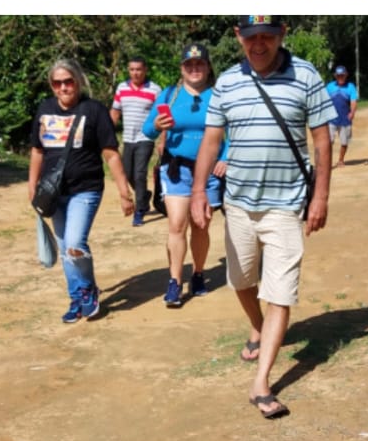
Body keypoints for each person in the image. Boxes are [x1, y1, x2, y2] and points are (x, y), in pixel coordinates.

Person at [191, 17, 334, 420]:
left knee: (281, 293)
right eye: (251, 37)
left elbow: (322, 140)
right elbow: (212, 140)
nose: (259, 44)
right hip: (237, 204)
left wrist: (320, 196)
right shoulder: (227, 83)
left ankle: (261, 381)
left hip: (287, 205)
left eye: (267, 36)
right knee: (241, 281)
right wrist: (201, 190)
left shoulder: (305, 75)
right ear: (239, 37)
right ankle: (257, 326)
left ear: (282, 33)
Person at [28, 57, 136, 323]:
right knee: (65, 248)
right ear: (52, 86)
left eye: (68, 81)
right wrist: (32, 186)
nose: (63, 88)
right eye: (57, 83)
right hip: (53, 192)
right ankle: (77, 297)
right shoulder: (44, 109)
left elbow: (110, 154)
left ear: (77, 81)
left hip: (85, 189)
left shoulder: (94, 111)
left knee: (75, 243)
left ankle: (87, 290)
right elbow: (37, 151)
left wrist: (124, 192)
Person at [151, 44, 226, 306]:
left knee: (201, 225)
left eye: (200, 64)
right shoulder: (169, 95)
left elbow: (233, 131)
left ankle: (198, 273)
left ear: (208, 67)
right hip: (176, 169)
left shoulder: (219, 95)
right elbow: (148, 130)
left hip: (209, 172)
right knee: (176, 225)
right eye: (189, 65)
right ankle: (174, 281)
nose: (194, 69)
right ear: (182, 68)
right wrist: (156, 125)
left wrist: (226, 158)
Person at [112, 57, 163, 226]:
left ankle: (140, 211)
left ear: (145, 69)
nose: (135, 73)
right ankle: (145, 196)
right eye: (132, 69)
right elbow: (115, 112)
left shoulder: (155, 90)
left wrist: (162, 139)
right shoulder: (122, 88)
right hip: (128, 138)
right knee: (127, 174)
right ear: (128, 70)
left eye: (139, 69)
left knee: (140, 174)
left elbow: (162, 116)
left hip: (146, 138)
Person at [327, 67, 359, 167]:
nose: (340, 77)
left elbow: (353, 101)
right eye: (338, 76)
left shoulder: (350, 87)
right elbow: (324, 100)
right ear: (335, 76)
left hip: (345, 118)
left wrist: (352, 112)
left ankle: (341, 160)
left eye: (342, 75)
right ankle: (327, 162)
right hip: (331, 118)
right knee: (328, 142)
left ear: (346, 75)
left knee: (344, 142)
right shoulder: (329, 86)